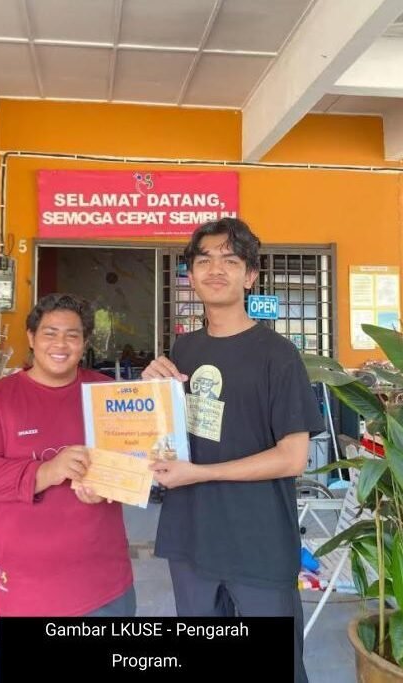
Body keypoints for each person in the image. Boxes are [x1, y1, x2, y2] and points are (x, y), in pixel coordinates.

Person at [142, 217, 323, 683]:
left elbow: (292, 457)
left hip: (258, 545)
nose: (216, 269)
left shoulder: (278, 355)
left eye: (230, 259)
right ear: (191, 275)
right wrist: (149, 396)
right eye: (204, 260)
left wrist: (201, 473)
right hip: (191, 538)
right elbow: (167, 441)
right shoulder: (183, 349)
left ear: (250, 276)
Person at [0, 293, 135, 617]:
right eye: (50, 333)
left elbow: (134, 460)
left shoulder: (107, 393)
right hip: (28, 586)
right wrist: (47, 471)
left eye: (72, 335)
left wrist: (111, 484)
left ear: (85, 343)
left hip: (103, 579)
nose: (60, 344)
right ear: (31, 338)